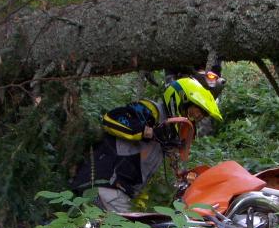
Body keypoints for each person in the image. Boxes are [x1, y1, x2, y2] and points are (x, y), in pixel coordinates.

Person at [70, 75, 222, 213]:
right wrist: (147, 131)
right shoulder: (152, 111)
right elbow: (111, 118)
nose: (195, 118)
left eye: (200, 117)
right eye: (194, 112)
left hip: (117, 192)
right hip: (105, 184)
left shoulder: (168, 135)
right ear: (181, 101)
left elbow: (165, 175)